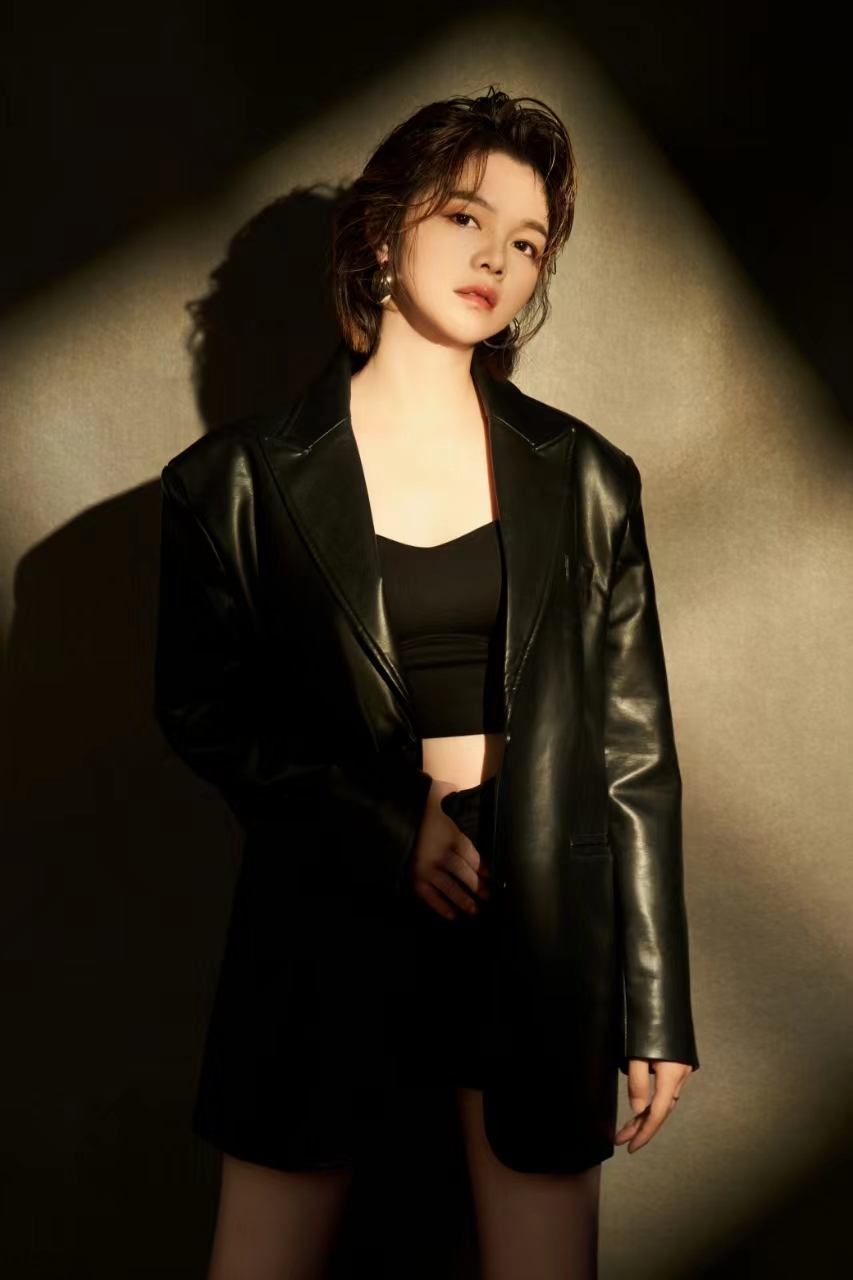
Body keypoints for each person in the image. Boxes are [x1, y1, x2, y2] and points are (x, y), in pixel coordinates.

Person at [154, 87, 700, 1280]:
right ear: (382, 228)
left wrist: (654, 1003)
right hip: (325, 908)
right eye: (465, 218)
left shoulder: (586, 477)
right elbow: (205, 713)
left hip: (536, 914)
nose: (496, 259)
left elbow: (633, 754)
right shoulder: (233, 481)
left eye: (527, 242)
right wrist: (385, 825)